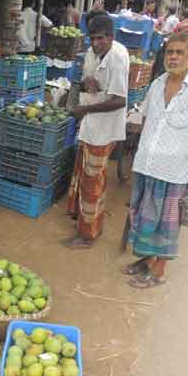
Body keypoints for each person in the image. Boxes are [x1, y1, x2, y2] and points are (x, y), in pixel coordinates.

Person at [124, 31, 188, 288]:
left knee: (166, 223)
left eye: (179, 52)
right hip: (147, 165)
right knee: (144, 216)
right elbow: (147, 121)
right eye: (170, 52)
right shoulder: (156, 84)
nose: (173, 57)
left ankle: (159, 270)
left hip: (175, 170)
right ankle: (146, 259)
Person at [65, 14, 129, 248]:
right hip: (90, 126)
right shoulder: (92, 53)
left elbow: (120, 100)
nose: (95, 43)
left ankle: (88, 234)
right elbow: (86, 82)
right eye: (92, 38)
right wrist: (86, 84)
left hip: (104, 129)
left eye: (100, 38)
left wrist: (85, 109)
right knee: (84, 173)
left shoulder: (118, 58)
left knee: (93, 181)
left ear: (111, 37)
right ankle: (82, 216)